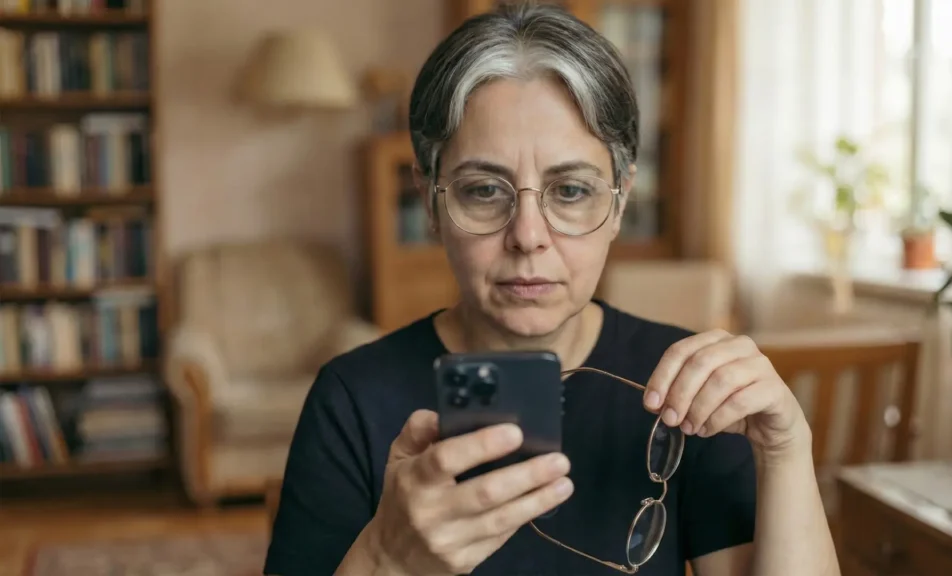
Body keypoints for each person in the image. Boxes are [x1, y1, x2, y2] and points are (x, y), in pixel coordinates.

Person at [264, 4, 839, 576]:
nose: (528, 237)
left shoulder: (689, 392)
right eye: (485, 190)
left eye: (569, 191)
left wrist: (786, 448)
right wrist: (386, 560)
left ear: (619, 202)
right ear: (432, 203)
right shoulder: (352, 399)